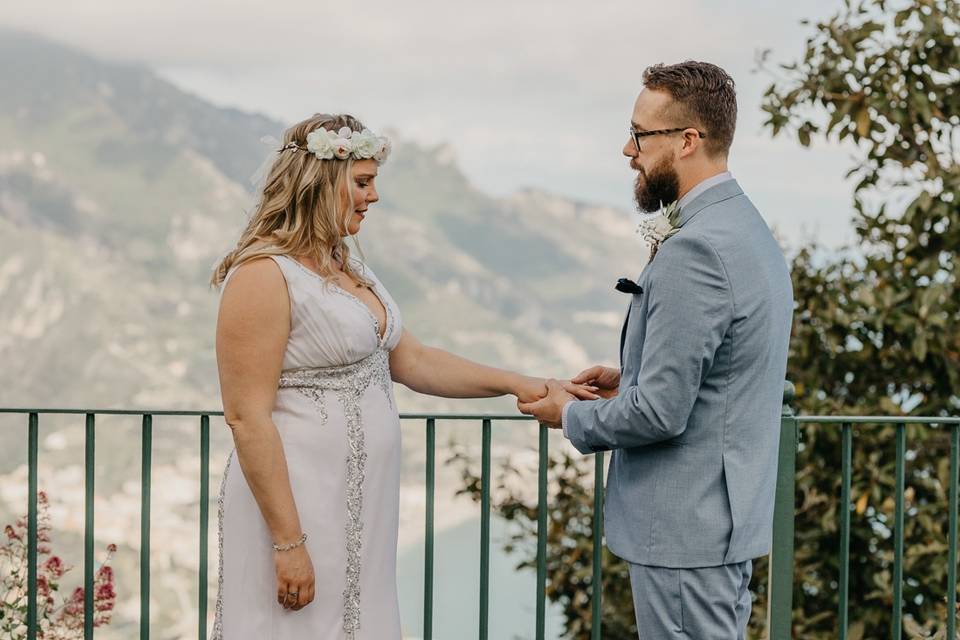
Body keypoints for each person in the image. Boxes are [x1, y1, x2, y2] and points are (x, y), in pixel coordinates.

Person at [210, 113, 595, 639]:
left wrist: (522, 383)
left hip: (363, 505)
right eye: (363, 182)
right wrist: (288, 542)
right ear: (321, 182)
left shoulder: (349, 267)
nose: (374, 197)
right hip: (296, 504)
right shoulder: (261, 275)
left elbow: (412, 360)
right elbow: (246, 416)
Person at [519, 61, 794, 639]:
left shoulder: (697, 249)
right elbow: (723, 366)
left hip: (684, 532)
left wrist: (570, 413)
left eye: (640, 134)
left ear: (688, 140)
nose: (628, 149)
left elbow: (662, 414)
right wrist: (633, 377)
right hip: (719, 521)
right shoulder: (743, 227)